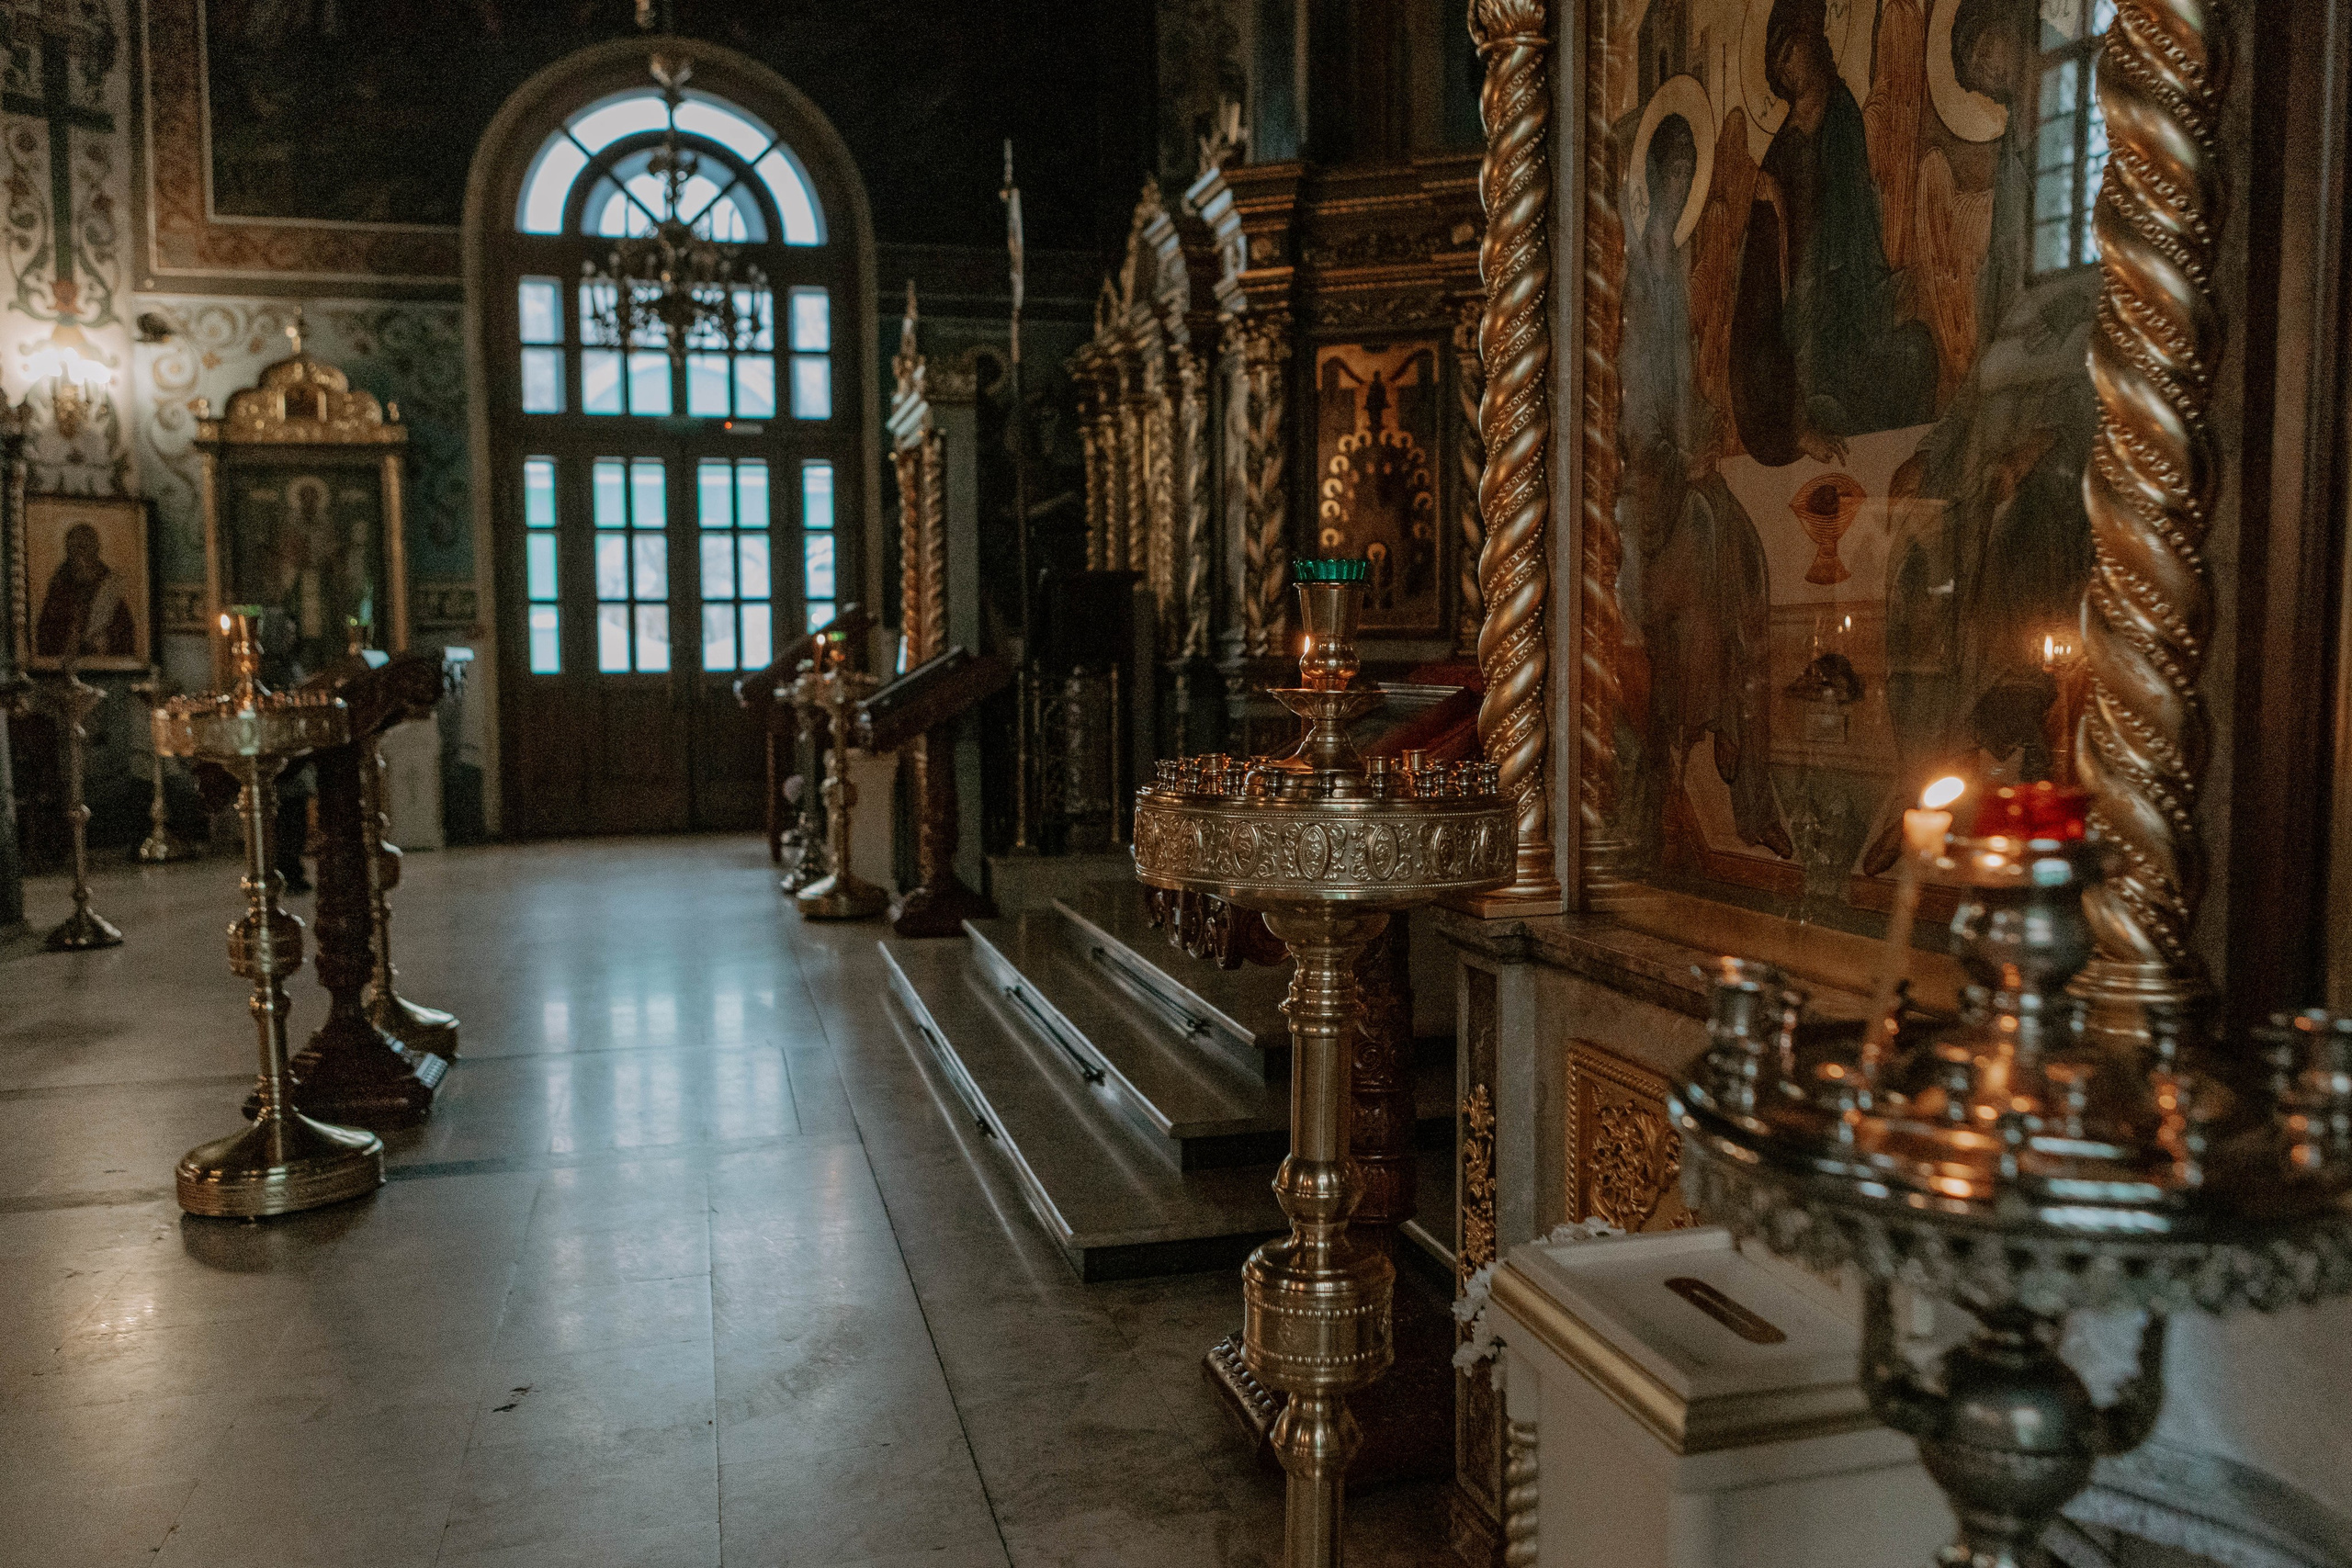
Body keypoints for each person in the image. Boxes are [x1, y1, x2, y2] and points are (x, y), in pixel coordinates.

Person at [34, 523, 136, 659]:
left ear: (95, 550)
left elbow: (124, 633)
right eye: (72, 549)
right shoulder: (59, 588)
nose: (78, 556)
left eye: (83, 548)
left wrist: (106, 641)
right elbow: (45, 635)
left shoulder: (109, 587)